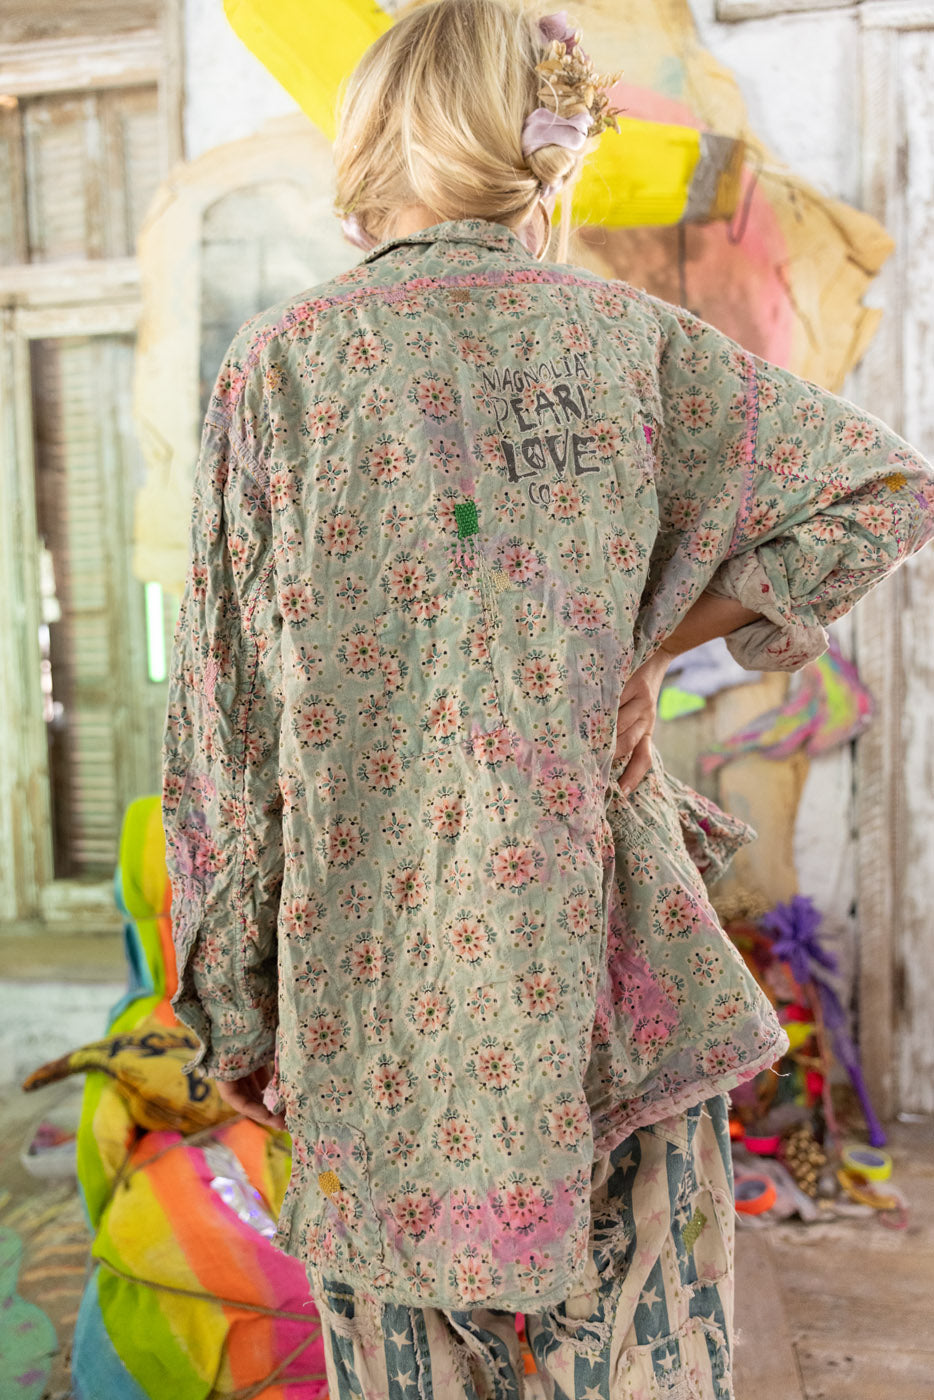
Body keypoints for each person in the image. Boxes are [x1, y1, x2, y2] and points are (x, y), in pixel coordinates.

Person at [161, 2, 934, 1395]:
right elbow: (882, 491)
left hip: (374, 996)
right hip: (608, 971)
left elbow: (228, 734)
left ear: (383, 129)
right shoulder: (625, 342)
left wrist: (231, 1012)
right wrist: (638, 653)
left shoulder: (283, 369)